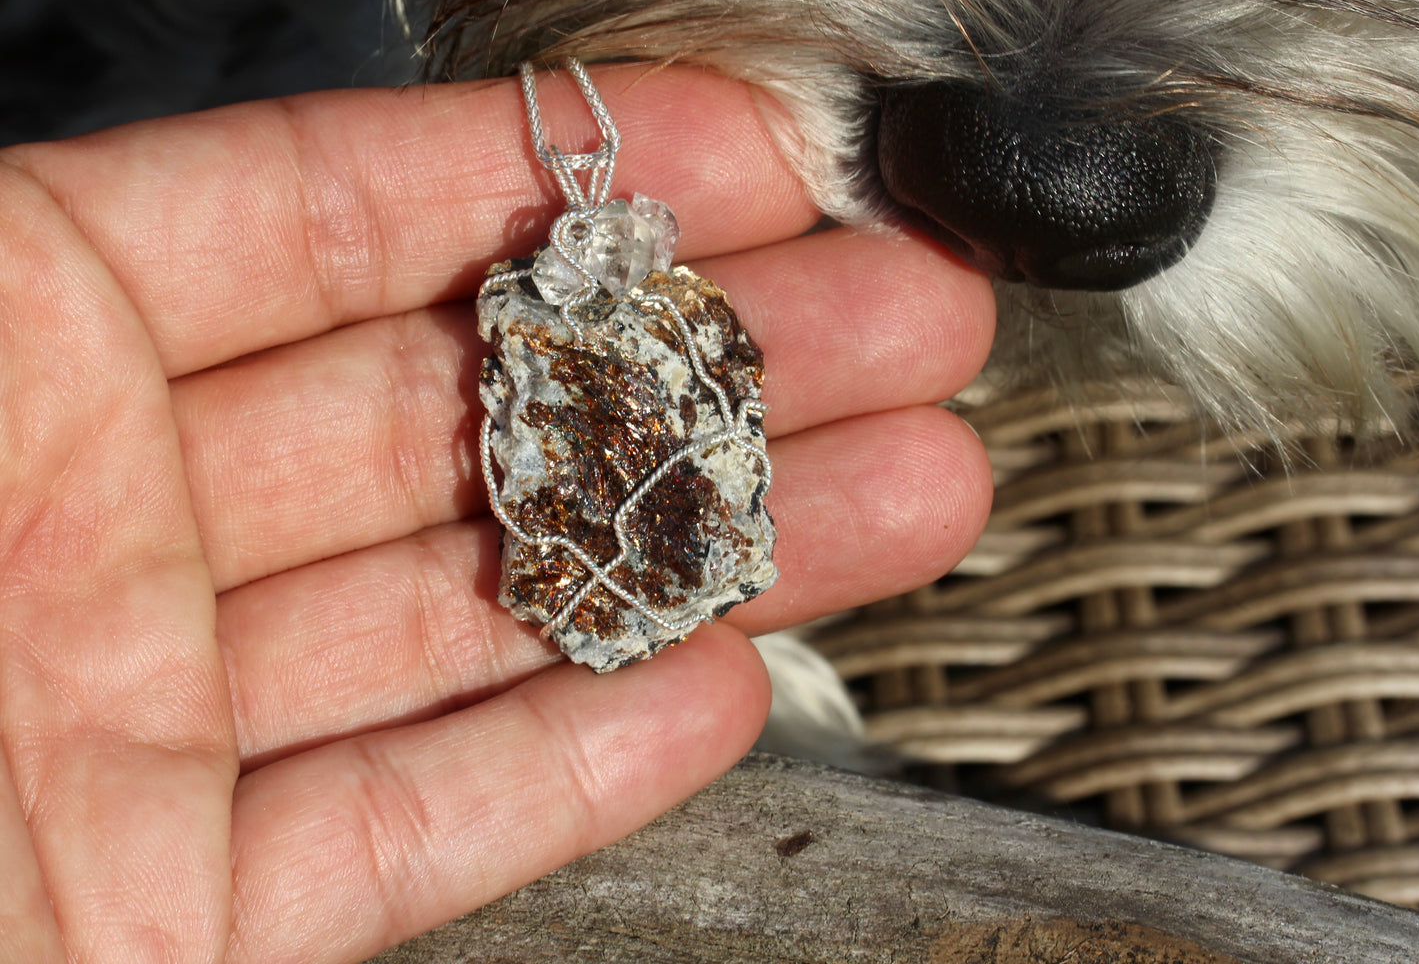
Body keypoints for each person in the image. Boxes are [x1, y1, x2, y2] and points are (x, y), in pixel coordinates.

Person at [0, 66, 994, 963]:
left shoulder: (671, 318)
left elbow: (718, 396)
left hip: (655, 541)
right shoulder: (549, 321)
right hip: (597, 558)